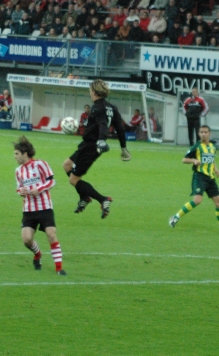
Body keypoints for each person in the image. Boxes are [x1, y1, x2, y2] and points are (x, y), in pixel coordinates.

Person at [62, 79, 131, 219]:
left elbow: (103, 124)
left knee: (73, 180)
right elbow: (120, 129)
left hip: (91, 146)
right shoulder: (112, 107)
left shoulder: (96, 107)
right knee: (67, 165)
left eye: (90, 90)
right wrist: (123, 148)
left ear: (93, 91)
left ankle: (102, 199)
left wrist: (100, 140)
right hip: (88, 145)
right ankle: (84, 197)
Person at [168, 125, 219, 235]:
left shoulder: (212, 146)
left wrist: (216, 169)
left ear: (209, 133)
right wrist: (194, 160)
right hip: (199, 176)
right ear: (199, 134)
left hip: (211, 178)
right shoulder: (197, 147)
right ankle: (175, 217)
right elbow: (184, 159)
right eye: (201, 132)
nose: (203, 134)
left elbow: (211, 159)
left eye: (205, 132)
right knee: (197, 201)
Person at [13, 136, 66, 276]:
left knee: (51, 234)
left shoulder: (41, 164)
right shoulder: (18, 171)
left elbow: (52, 182)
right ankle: (37, 254)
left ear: (25, 153)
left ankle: (59, 268)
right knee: (26, 240)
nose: (15, 157)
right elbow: (19, 188)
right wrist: (22, 192)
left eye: (17, 154)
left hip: (45, 207)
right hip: (29, 209)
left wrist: (39, 189)